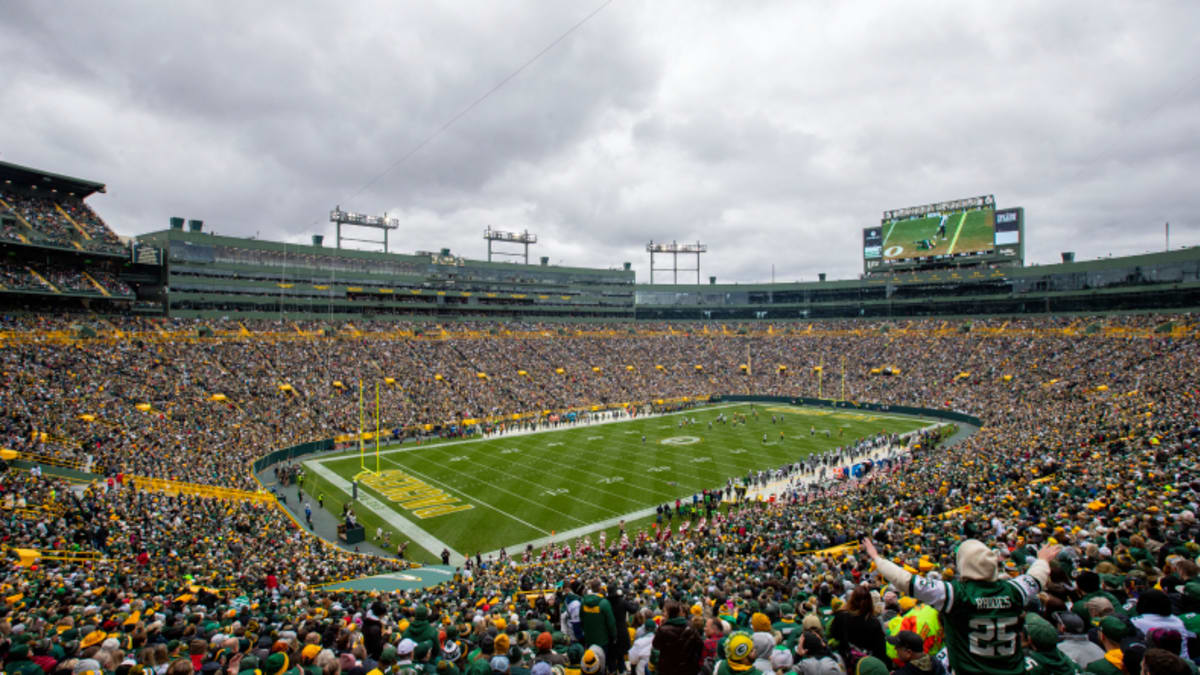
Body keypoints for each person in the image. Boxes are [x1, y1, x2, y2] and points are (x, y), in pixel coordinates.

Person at [862, 537, 1059, 675]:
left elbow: (905, 580)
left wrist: (877, 558)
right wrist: (1042, 560)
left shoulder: (956, 594)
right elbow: (1036, 578)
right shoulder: (1014, 590)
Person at [827, 586, 886, 666]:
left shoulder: (841, 616)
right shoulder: (874, 622)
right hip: (866, 664)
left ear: (852, 599)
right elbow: (881, 650)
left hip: (848, 661)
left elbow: (834, 634)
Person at [652, 600, 704, 675]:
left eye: (664, 612)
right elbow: (700, 647)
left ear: (669, 614)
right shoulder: (691, 627)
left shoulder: (662, 630)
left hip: (667, 670)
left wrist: (661, 626)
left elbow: (655, 646)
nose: (663, 614)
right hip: (687, 670)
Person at [581, 580, 616, 656]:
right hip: (602, 639)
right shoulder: (604, 603)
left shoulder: (583, 601)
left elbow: (581, 619)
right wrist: (614, 636)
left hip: (589, 638)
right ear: (600, 588)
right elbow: (611, 622)